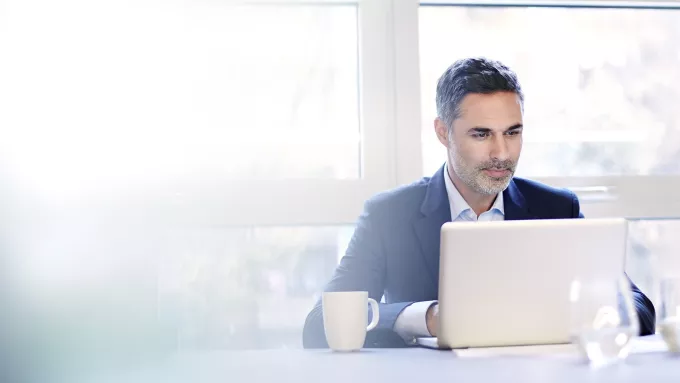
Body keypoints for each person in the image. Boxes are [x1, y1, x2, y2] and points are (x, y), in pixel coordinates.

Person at [302, 57, 656, 348]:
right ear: (443, 132)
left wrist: (575, 310)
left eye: (512, 133)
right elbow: (320, 324)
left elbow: (638, 309)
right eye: (482, 134)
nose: (501, 153)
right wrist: (425, 318)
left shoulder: (556, 209)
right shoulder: (389, 215)